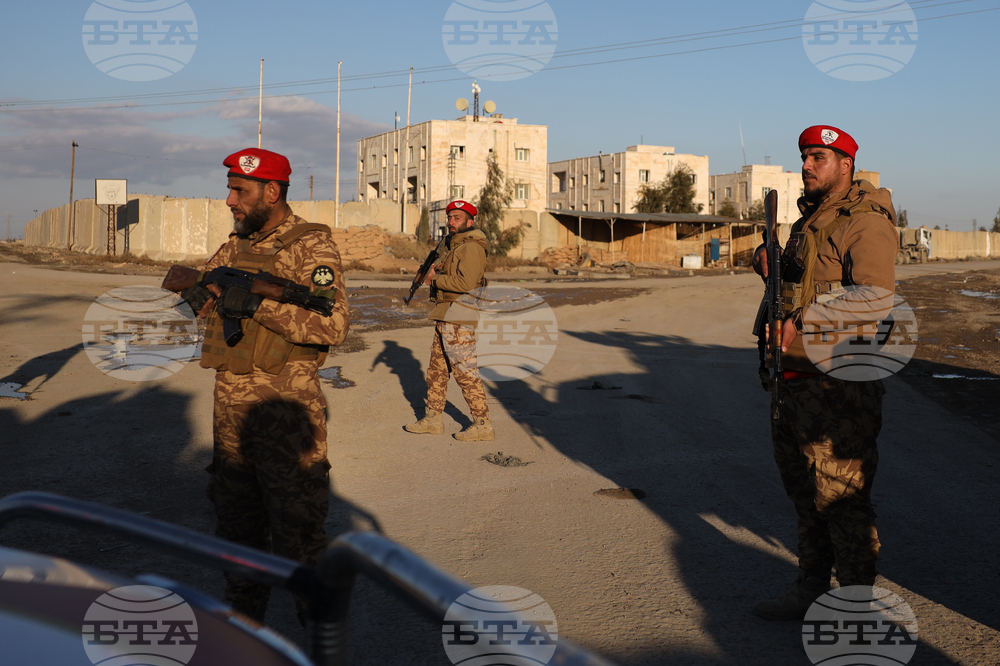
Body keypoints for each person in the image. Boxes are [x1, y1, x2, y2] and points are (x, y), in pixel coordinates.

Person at [180, 147, 349, 623]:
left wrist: (258, 306)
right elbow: (208, 298)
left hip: (285, 413)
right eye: (230, 189)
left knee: (298, 533)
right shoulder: (236, 244)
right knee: (237, 528)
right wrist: (197, 292)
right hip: (230, 413)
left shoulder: (311, 248)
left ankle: (319, 639)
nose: (230, 200)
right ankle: (243, 629)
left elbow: (333, 325)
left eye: (240, 191)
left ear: (271, 192)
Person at [751, 126, 898, 620]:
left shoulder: (866, 222)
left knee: (842, 503)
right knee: (806, 498)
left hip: (839, 388)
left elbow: (874, 299)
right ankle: (810, 591)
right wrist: (767, 261)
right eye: (805, 157)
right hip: (794, 382)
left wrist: (802, 321)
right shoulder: (809, 220)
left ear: (845, 164)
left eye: (818, 157)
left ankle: (856, 612)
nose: (806, 165)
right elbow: (801, 281)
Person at [404, 200, 494, 441]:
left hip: (459, 315)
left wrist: (435, 280)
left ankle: (482, 424)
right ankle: (433, 420)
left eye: (457, 218)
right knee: (437, 371)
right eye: (450, 217)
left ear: (470, 222)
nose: (451, 222)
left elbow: (466, 283)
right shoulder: (453, 246)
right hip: (445, 313)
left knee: (465, 372)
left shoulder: (471, 247)